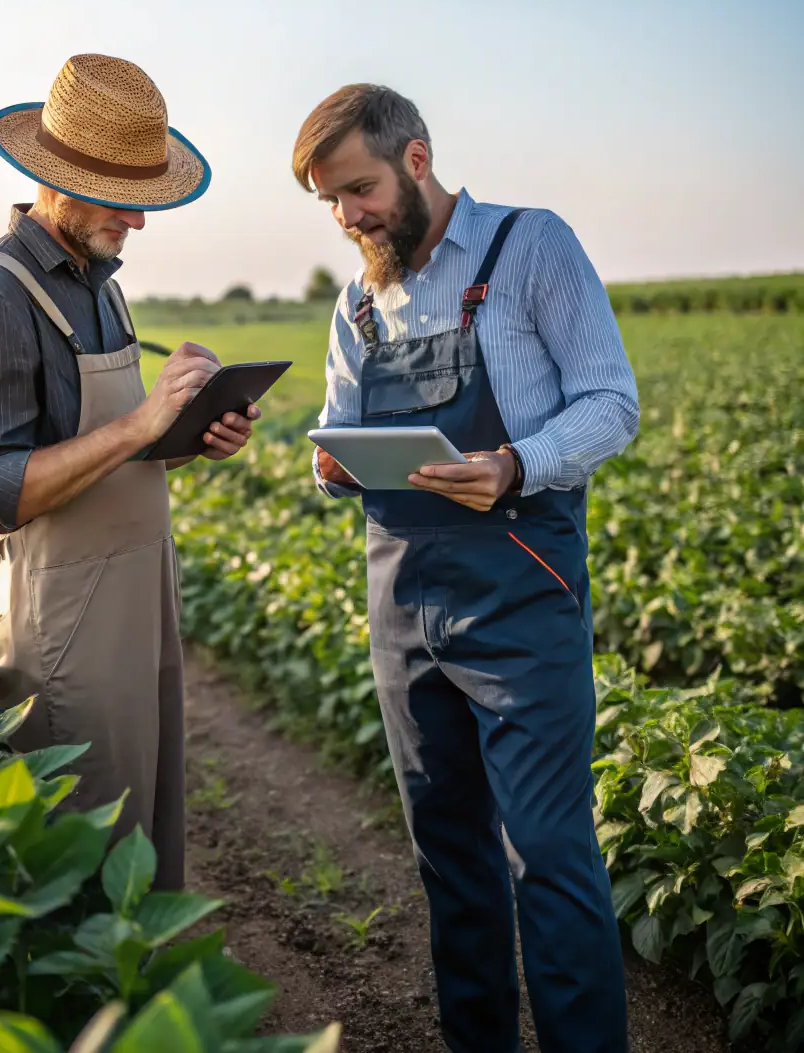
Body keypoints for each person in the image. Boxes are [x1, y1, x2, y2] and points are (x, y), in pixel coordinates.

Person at [292, 84, 638, 1053]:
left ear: (415, 158)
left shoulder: (529, 249)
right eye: (329, 203)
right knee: (449, 859)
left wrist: (515, 463)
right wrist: (330, 464)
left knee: (550, 858)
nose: (347, 217)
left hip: (521, 595)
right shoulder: (357, 299)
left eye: (357, 189)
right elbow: (341, 445)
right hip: (402, 605)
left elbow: (611, 402)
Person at [0, 53, 259, 890]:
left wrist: (187, 433)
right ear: (61, 179)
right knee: (89, 860)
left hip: (139, 593)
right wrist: (144, 421)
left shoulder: (100, 285)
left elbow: (111, 447)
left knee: (143, 833)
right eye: (127, 202)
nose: (141, 225)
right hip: (66, 618)